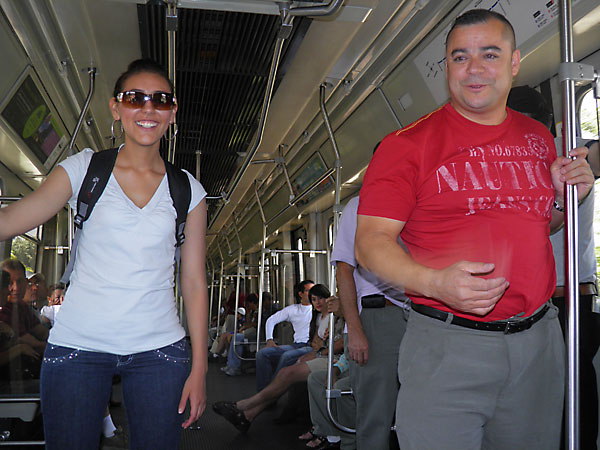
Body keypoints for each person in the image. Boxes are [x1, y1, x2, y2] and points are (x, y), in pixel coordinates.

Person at [354, 9, 594, 450]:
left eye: (490, 54)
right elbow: (370, 243)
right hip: (447, 344)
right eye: (460, 57)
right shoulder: (406, 146)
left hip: (537, 343)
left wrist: (565, 198)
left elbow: (542, 224)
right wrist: (434, 283)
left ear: (514, 62)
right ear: (447, 65)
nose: (474, 69)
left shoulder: (538, 138)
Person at [0, 59, 209, 449]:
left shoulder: (187, 190)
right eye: (135, 98)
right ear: (116, 108)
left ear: (172, 112)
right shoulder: (84, 170)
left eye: (160, 100)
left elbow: (194, 282)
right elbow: (11, 220)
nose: (148, 108)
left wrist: (200, 367)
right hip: (79, 345)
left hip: (159, 350)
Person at [508, 85, 600, 449]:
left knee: (572, 396)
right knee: (545, 399)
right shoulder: (505, 160)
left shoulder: (570, 152)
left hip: (568, 299)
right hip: (539, 301)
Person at [213, 284, 345, 432]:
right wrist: (269, 339)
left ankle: (244, 406)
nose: (318, 302)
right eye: (314, 299)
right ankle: (254, 408)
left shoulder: (337, 317)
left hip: (329, 355)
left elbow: (338, 343)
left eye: (322, 298)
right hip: (314, 349)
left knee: (287, 364)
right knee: (265, 355)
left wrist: (321, 349)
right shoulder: (317, 316)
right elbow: (315, 341)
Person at [333, 195, 410, 450]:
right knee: (375, 416)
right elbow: (344, 269)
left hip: (420, 315)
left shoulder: (419, 202)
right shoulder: (359, 205)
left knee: (421, 412)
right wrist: (355, 331)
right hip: (377, 317)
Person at [254, 279, 315, 391]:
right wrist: (269, 339)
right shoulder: (293, 309)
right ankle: (263, 390)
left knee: (287, 356)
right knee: (262, 354)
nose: (312, 294)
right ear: (300, 294)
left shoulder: (318, 309)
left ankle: (271, 390)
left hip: (310, 346)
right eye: (308, 291)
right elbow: (271, 320)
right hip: (297, 345)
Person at [0, 259, 48, 353]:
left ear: (26, 282)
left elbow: (42, 332)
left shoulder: (22, 306)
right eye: (10, 283)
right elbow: (35, 345)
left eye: (19, 282)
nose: (15, 288)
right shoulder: (3, 311)